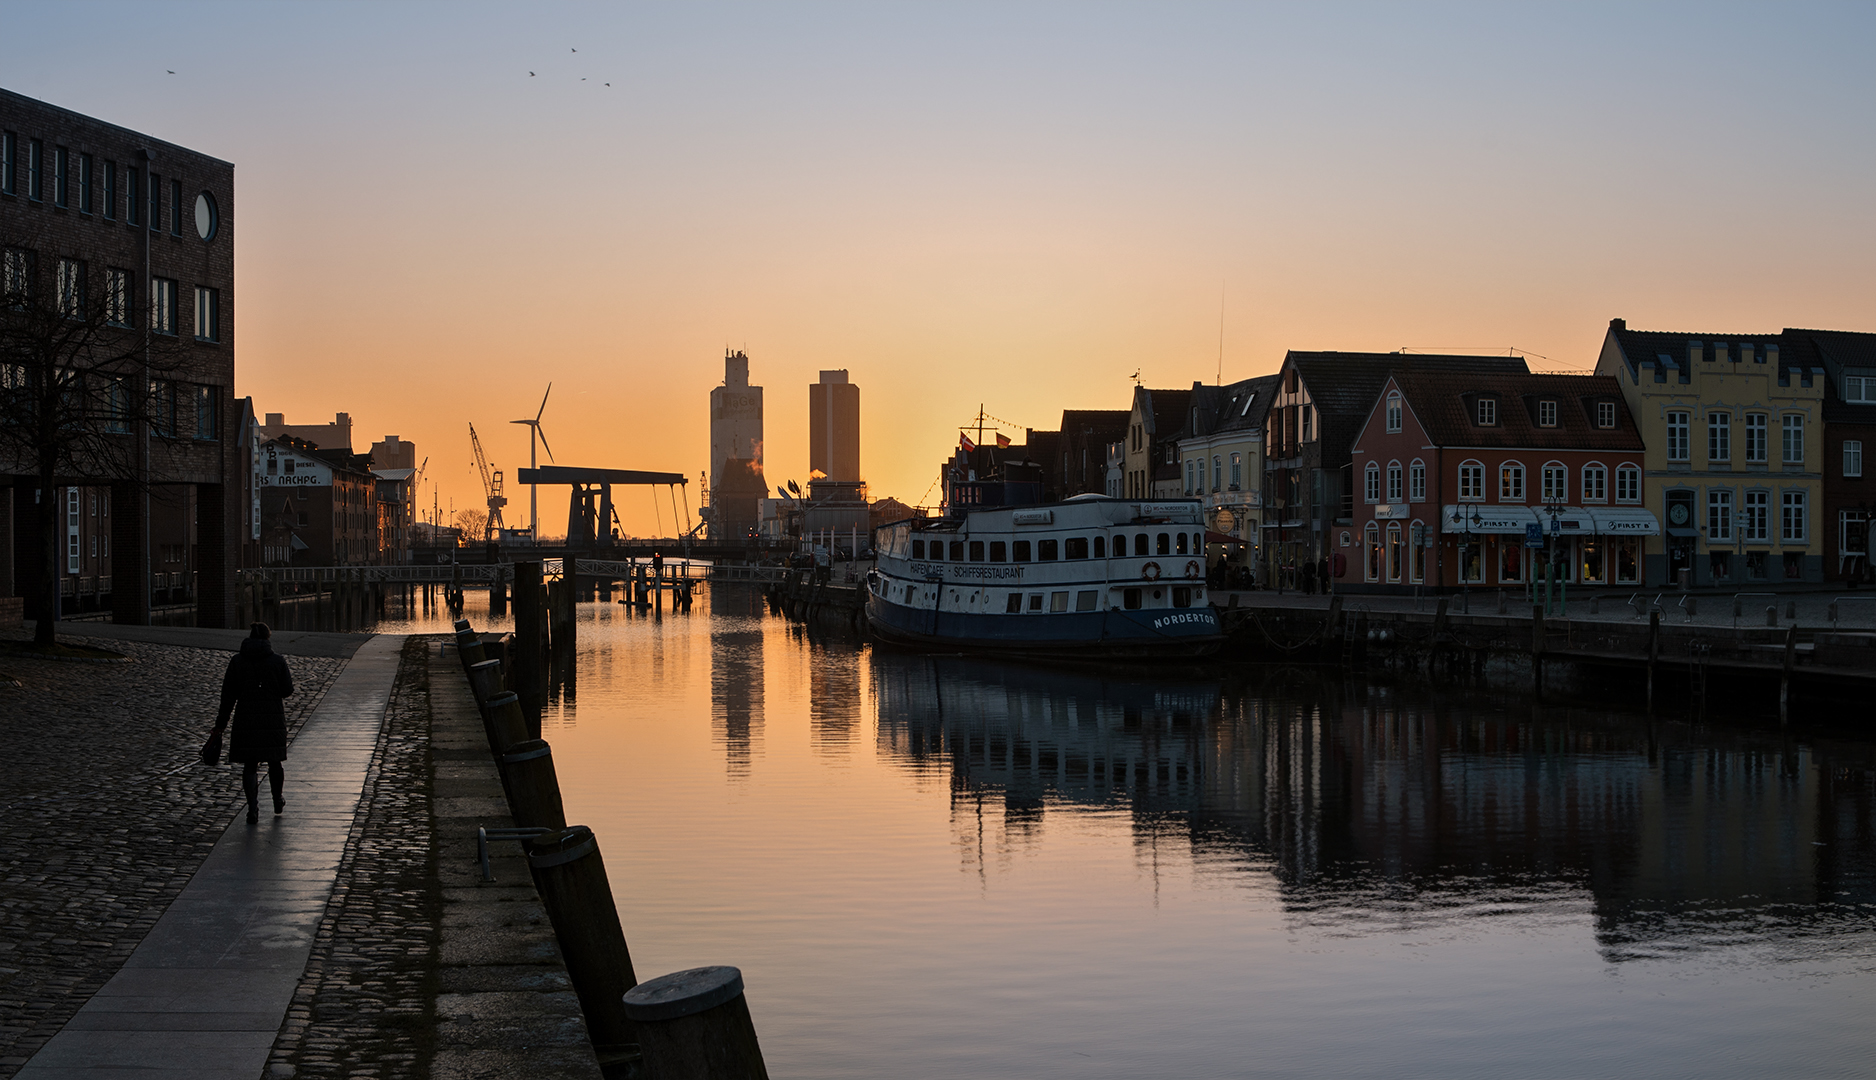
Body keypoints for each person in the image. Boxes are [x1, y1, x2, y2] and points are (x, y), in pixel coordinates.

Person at [213, 623, 295, 824]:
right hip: (272, 719)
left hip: (246, 718)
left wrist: (220, 726)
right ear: (268, 638)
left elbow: (228, 697)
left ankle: (252, 809)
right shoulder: (277, 661)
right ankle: (277, 799)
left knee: (250, 765)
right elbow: (287, 690)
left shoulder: (237, 662)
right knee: (274, 762)